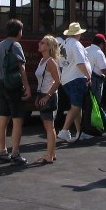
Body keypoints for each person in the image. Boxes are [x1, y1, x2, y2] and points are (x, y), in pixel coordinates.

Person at [0, 19, 32, 165]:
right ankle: (15, 153)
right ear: (19, 31)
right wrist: (27, 86)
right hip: (13, 86)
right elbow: (22, 68)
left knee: (2, 118)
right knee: (17, 119)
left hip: (2, 83)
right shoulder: (15, 45)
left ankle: (2, 152)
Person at [57, 22, 93, 143]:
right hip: (77, 78)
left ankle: (79, 132)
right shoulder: (76, 44)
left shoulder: (64, 44)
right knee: (76, 106)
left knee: (75, 106)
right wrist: (88, 76)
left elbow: (61, 63)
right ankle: (65, 130)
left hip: (66, 78)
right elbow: (80, 62)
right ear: (78, 34)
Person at [34, 35, 61, 164]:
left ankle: (49, 156)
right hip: (43, 95)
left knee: (49, 126)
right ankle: (52, 153)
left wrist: (47, 96)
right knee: (49, 126)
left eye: (42, 42)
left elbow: (57, 81)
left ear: (49, 47)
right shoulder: (42, 61)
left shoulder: (50, 61)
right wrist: (39, 96)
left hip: (48, 96)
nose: (39, 44)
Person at [86, 33, 106, 106]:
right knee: (95, 104)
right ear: (101, 43)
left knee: (86, 103)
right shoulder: (99, 53)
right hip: (95, 81)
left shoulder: (86, 49)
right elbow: (103, 69)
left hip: (84, 78)